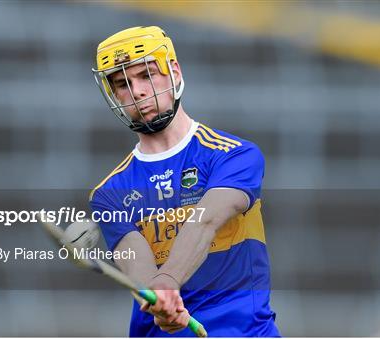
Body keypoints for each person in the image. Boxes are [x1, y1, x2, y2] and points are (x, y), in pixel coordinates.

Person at [89, 26, 280, 337]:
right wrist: (156, 298)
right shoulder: (109, 193)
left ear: (173, 72)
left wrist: (168, 281)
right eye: (123, 84)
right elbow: (139, 271)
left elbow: (203, 223)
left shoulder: (234, 156)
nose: (137, 91)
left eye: (146, 75)